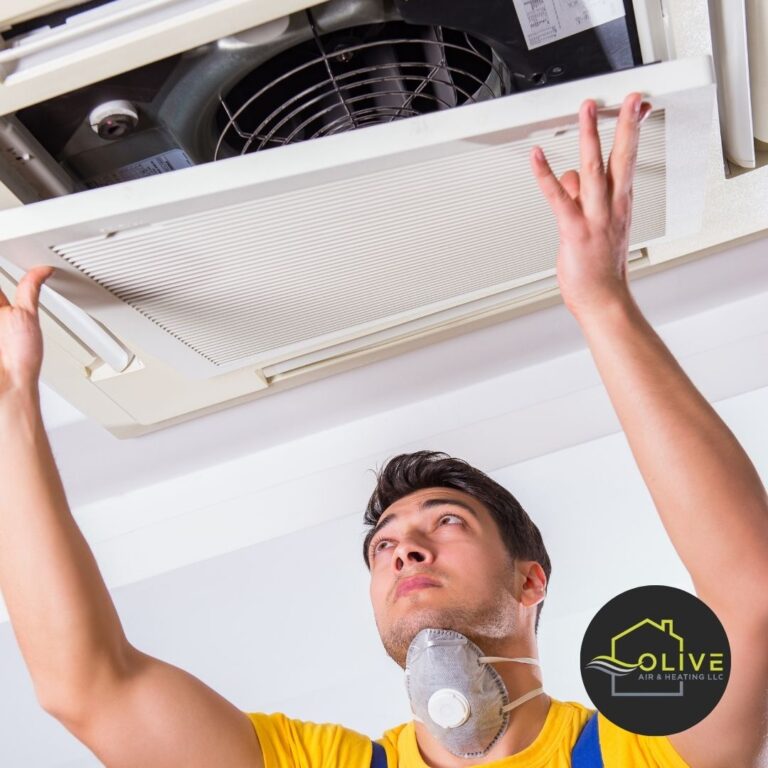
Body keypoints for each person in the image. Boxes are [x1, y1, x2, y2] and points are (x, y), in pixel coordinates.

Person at [0, 91, 766, 768]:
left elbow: (751, 594)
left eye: (447, 520)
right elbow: (87, 689)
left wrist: (601, 303)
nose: (403, 547)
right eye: (384, 544)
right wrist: (11, 414)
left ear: (530, 579)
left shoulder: (645, 751)